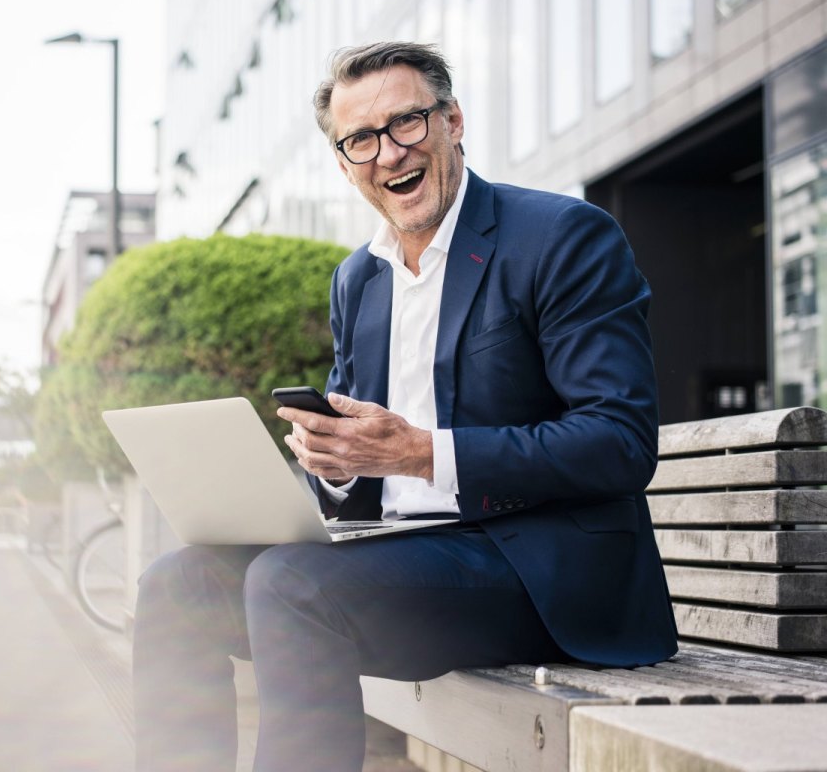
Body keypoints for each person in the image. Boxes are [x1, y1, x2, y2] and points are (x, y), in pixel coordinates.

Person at [132, 41, 677, 772]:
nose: (388, 153)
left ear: (452, 121)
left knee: (290, 586)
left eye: (407, 124)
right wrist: (330, 469)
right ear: (343, 161)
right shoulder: (359, 279)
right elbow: (363, 461)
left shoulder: (560, 238)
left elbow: (618, 442)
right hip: (395, 560)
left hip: (542, 576)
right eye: (361, 139)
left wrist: (421, 451)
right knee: (178, 583)